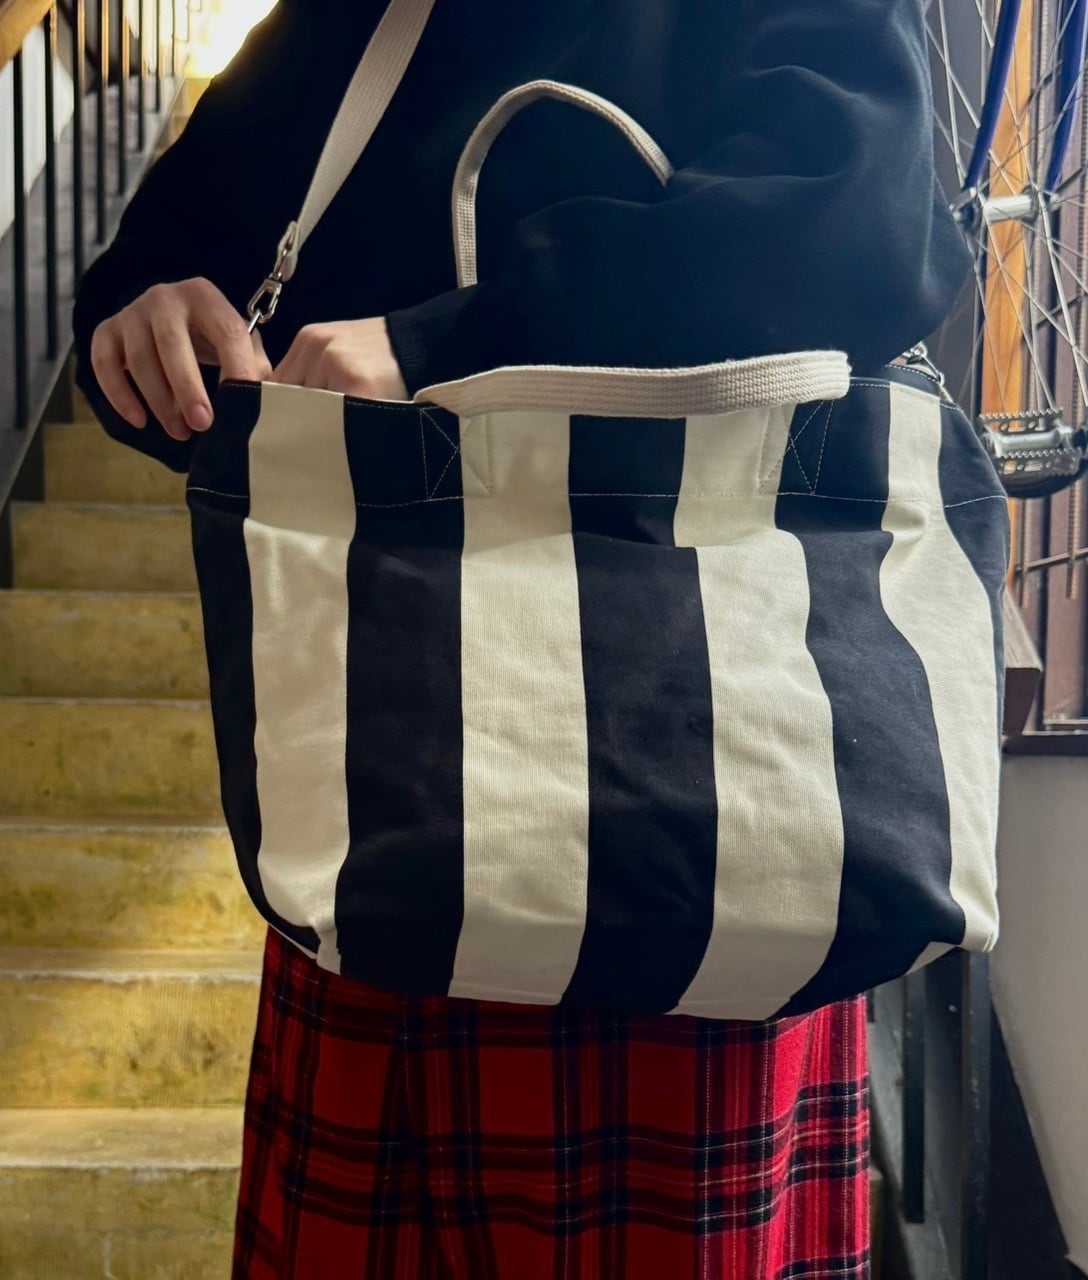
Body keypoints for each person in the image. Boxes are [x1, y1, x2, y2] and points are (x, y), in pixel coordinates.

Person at [73, 1, 969, 1275]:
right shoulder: (363, 18)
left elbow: (859, 234)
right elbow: (162, 265)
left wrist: (446, 352)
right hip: (398, 778)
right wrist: (145, 318)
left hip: (697, 775)